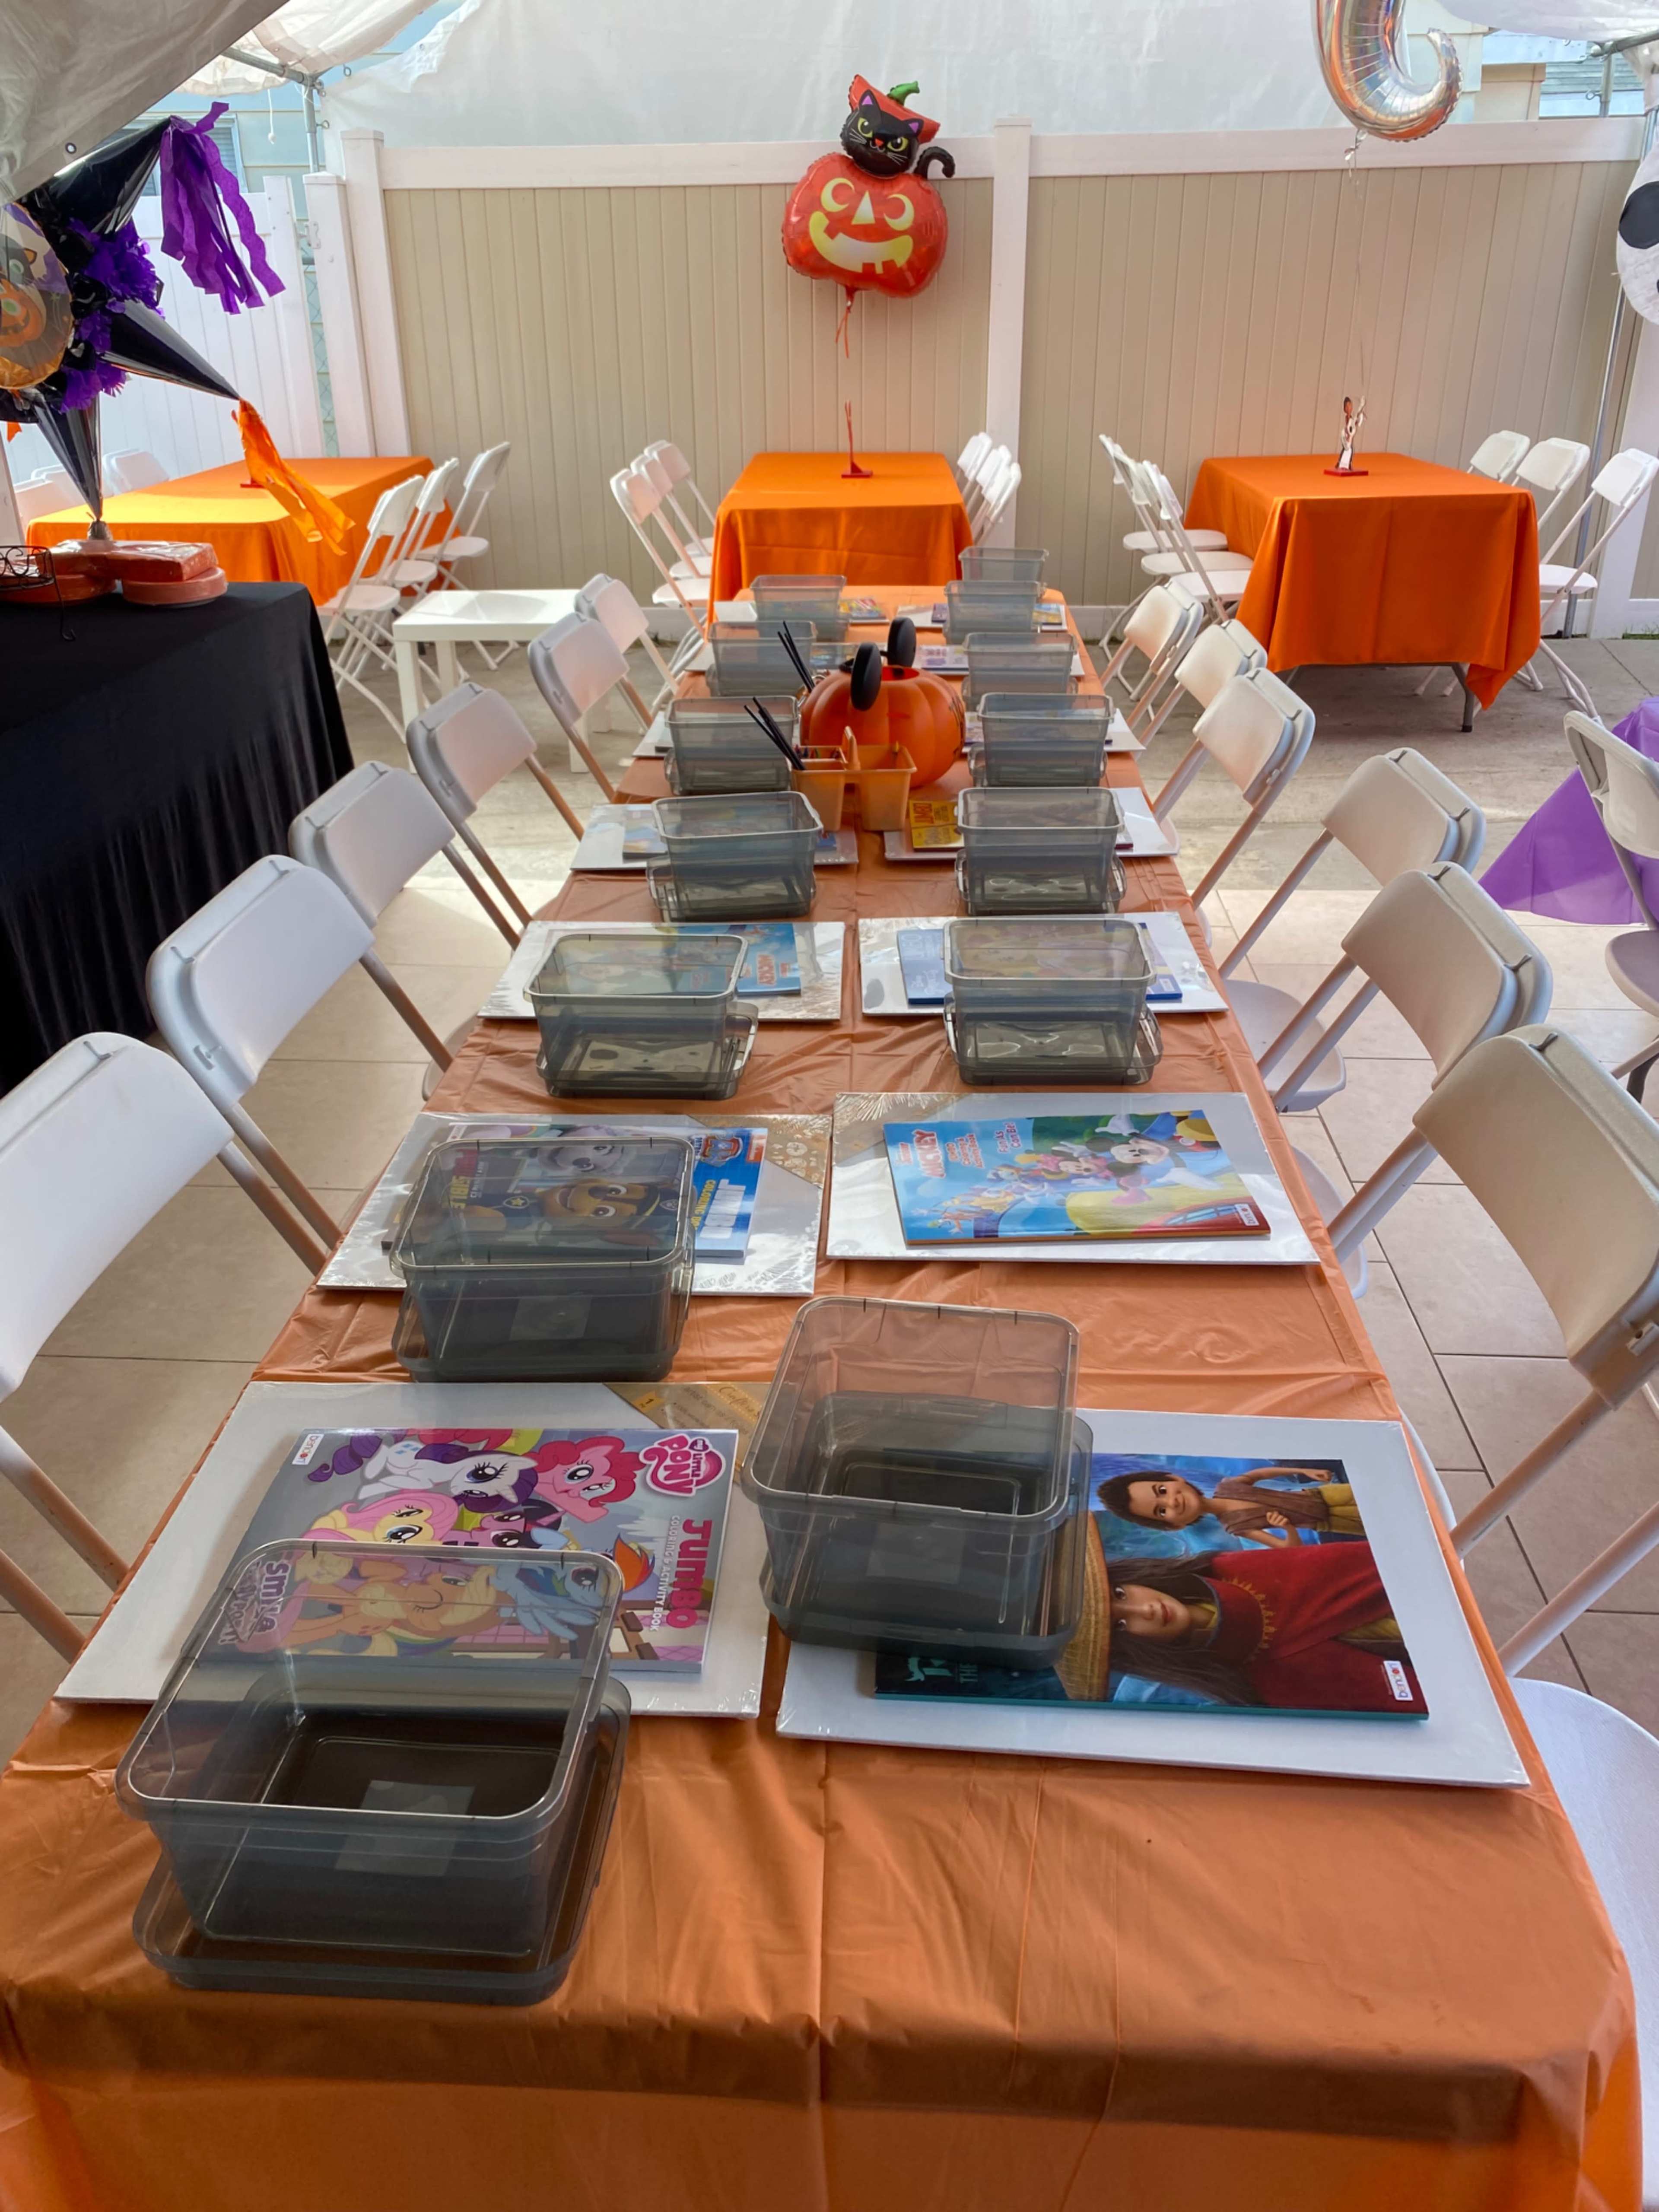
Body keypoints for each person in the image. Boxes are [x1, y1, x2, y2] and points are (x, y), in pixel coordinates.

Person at [1104, 1540, 1425, 1712]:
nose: (1144, 1609)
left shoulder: (1233, 1568)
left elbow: (1393, 1561)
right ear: (1128, 1651)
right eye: (1121, 1623)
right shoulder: (1254, 1687)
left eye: (1121, 1593)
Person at [1097, 1465, 1362, 1547]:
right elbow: (1289, 1549)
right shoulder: (1237, 1527)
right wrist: (1288, 1529)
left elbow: (1259, 1475)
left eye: (1163, 1491)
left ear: (1174, 1478)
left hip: (1326, 1496)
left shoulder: (1228, 1486)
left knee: (1366, 1494)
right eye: (1162, 1511)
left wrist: (1304, 1471)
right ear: (1175, 1525)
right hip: (1328, 1522)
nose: (1172, 1501)